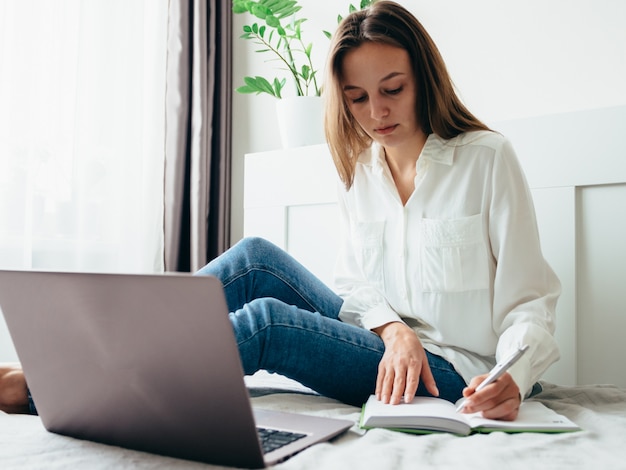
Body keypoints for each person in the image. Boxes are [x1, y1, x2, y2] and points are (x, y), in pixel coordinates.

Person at [0, 0, 559, 421]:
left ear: (424, 80)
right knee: (255, 259)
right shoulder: (361, 169)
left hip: (452, 372)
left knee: (268, 324)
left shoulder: (486, 159)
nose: (377, 112)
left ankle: (60, 390)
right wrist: (392, 329)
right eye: (357, 98)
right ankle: (77, 361)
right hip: (387, 342)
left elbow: (529, 302)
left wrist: (512, 376)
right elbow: (355, 285)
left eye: (393, 88)